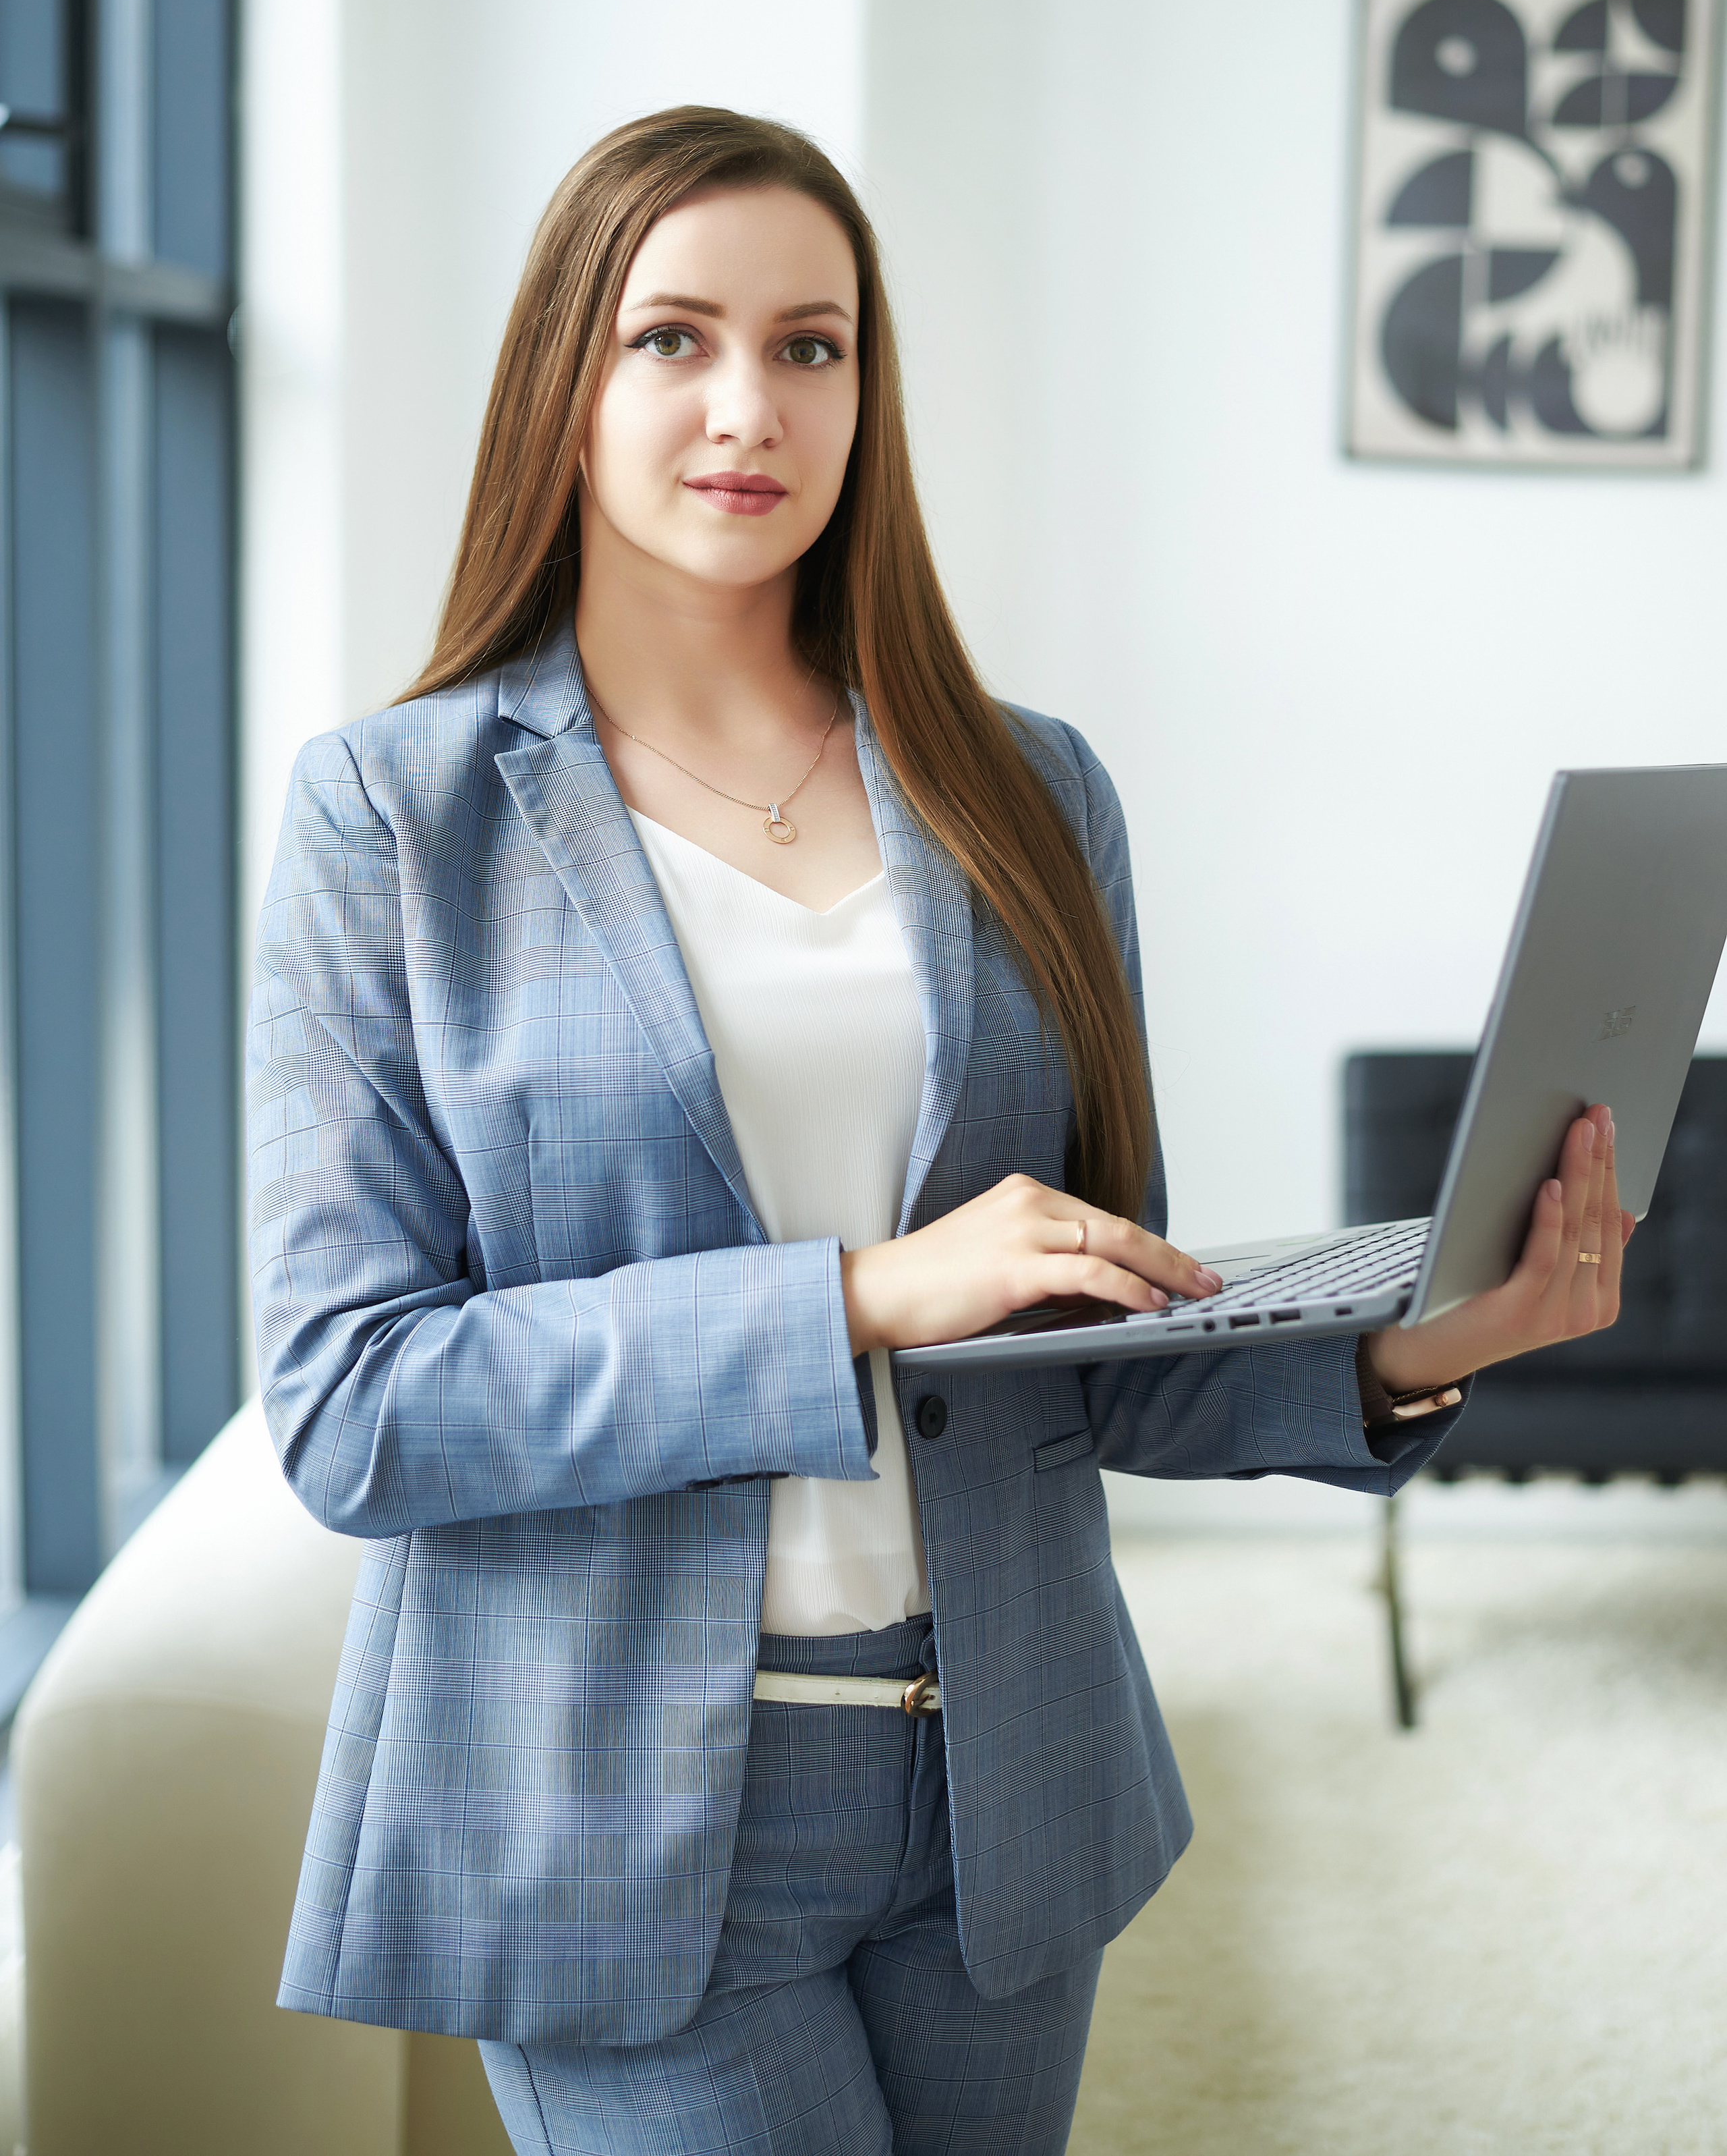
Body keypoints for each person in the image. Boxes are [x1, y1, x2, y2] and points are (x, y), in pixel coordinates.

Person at [248, 106, 1627, 2156]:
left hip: (1000, 1775)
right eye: (673, 339)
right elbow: (354, 1403)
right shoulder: (397, 814)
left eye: (813, 344)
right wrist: (866, 1297)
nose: (750, 404)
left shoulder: (1024, 791)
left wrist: (1423, 1344)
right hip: (613, 1803)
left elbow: (1094, 1355)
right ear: (564, 378)